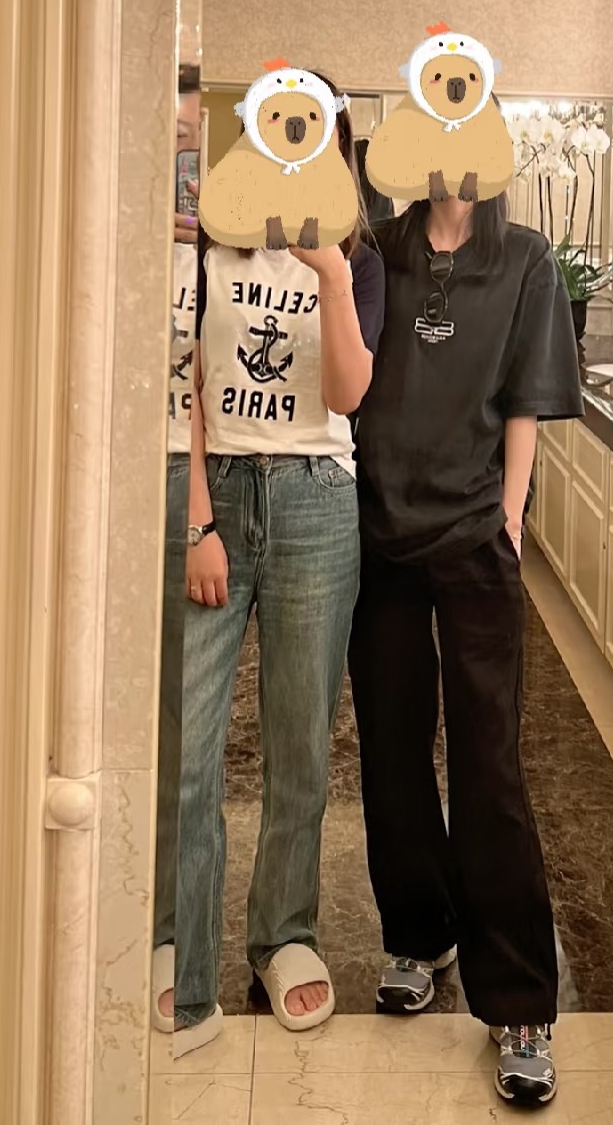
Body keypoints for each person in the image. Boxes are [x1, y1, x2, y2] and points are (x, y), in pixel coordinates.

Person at [161, 71, 385, 1055]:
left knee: (299, 746)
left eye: (315, 136)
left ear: (335, 151)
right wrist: (196, 522)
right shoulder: (206, 250)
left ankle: (284, 934)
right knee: (188, 748)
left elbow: (348, 394)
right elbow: (189, 389)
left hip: (315, 503)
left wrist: (330, 275)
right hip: (217, 497)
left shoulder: (359, 262)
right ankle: (179, 944)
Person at [348, 180, 583, 1109]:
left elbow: (526, 398)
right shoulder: (377, 248)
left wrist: (512, 513)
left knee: (491, 763)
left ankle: (520, 1002)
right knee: (392, 751)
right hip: (378, 531)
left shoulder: (524, 260)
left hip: (479, 533)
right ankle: (419, 931)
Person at [152, 66, 202, 1036]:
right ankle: (148, 921)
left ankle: (169, 928)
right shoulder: (106, 239)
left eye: (193, 145)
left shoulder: (220, 249)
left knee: (181, 718)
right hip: (106, 476)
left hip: (186, 469)